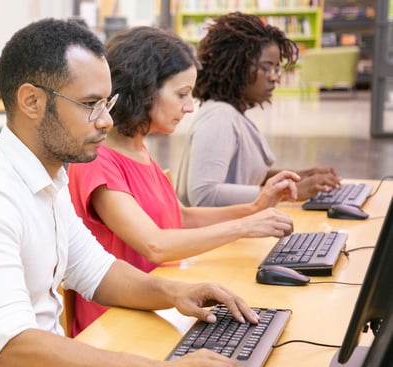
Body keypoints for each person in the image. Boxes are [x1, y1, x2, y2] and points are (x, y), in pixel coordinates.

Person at [0, 18, 260, 367]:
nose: (107, 121)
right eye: (91, 104)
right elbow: (10, 349)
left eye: (107, 104)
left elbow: (97, 272)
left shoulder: (50, 175)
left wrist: (176, 293)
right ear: (32, 102)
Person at [67, 26, 298, 337]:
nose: (189, 107)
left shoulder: (137, 148)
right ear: (144, 89)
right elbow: (155, 245)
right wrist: (244, 227)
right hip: (116, 323)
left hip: (159, 304)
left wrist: (254, 208)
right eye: (181, 94)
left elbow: (182, 217)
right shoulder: (98, 161)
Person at [176, 12, 341, 208]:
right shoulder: (218, 118)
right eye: (267, 67)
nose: (274, 77)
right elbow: (204, 195)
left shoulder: (231, 113)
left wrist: (299, 177)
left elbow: (245, 178)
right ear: (236, 66)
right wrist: (282, 192)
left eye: (276, 69)